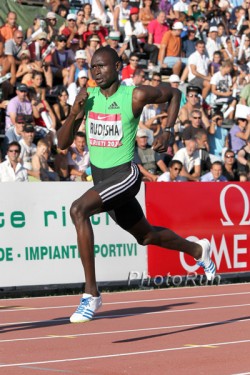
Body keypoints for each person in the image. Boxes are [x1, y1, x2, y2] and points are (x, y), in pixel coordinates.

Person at [57, 46, 215, 324]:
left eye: (102, 66)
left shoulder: (135, 94)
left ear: (118, 67)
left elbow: (174, 94)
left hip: (126, 176)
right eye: (93, 67)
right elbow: (62, 143)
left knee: (78, 210)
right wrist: (73, 113)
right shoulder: (88, 98)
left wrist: (167, 130)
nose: (96, 71)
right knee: (146, 236)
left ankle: (91, 294)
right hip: (103, 180)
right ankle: (198, 251)